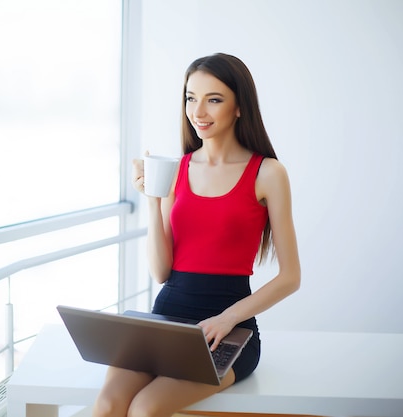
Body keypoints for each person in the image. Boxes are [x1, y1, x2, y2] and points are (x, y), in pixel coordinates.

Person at [92, 53, 301, 417]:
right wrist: (153, 201)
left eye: (214, 99)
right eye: (191, 98)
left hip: (230, 332)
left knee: (145, 408)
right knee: (109, 403)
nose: (198, 111)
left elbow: (290, 277)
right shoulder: (177, 168)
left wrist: (226, 319)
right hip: (165, 322)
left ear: (239, 107)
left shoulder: (268, 173)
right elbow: (161, 272)